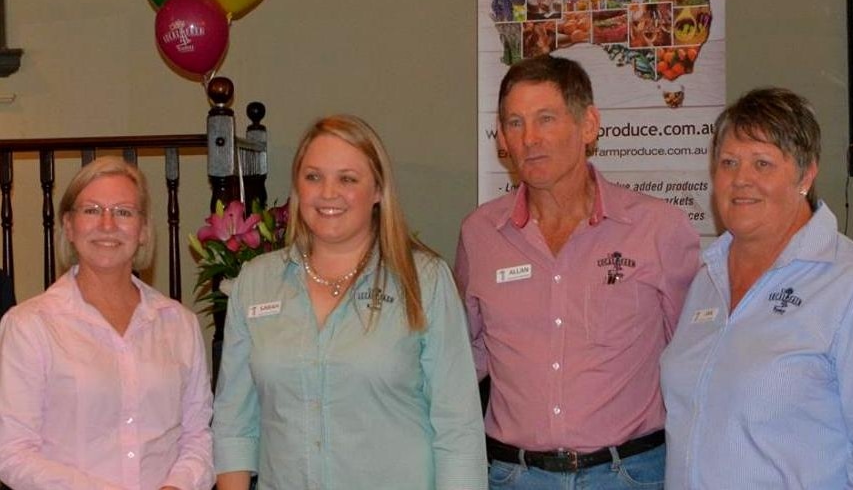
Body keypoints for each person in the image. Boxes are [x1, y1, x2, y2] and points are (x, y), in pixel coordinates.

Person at [455, 54, 700, 490]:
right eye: (515, 123)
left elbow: (697, 362)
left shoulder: (658, 229)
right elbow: (462, 359)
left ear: (588, 125)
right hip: (514, 476)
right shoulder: (479, 235)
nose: (529, 138)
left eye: (545, 118)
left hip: (629, 474)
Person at [213, 114, 487, 490]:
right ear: (297, 186)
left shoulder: (424, 281)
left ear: (377, 190)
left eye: (347, 178)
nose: (328, 193)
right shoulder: (256, 283)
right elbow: (233, 425)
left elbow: (458, 430)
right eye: (313, 177)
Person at [660, 87, 853, 489]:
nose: (740, 180)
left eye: (762, 164)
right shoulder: (707, 277)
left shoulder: (847, 284)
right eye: (728, 162)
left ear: (806, 175)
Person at [0, 156, 214, 490]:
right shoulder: (29, 326)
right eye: (91, 210)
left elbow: (198, 436)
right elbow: (11, 452)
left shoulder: (179, 325)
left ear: (143, 231)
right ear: (69, 226)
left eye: (124, 211)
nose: (108, 224)